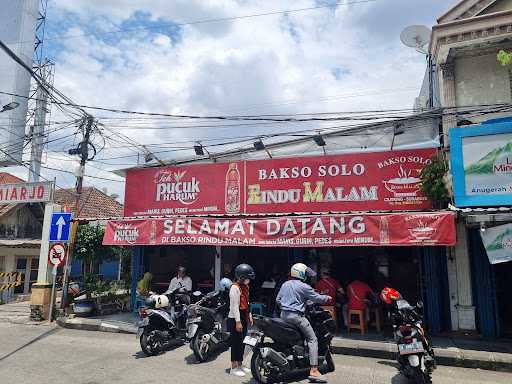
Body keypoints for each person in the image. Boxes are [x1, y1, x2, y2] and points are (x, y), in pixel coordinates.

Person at [276, 263, 331, 383]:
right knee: (312, 340)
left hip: (283, 315)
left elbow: (278, 300)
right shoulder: (304, 286)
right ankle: (314, 371)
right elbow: (316, 297)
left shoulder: (285, 284)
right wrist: (327, 298)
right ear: (301, 274)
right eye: (305, 274)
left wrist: (287, 306)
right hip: (297, 317)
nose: (307, 276)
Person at [227, 264, 255, 377]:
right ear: (241, 277)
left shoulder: (245, 287)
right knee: (236, 343)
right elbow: (234, 307)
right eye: (247, 278)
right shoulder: (234, 288)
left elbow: (247, 303)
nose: (249, 280)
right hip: (235, 318)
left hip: (243, 316)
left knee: (242, 342)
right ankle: (233, 368)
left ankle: (240, 364)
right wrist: (238, 322)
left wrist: (250, 316)